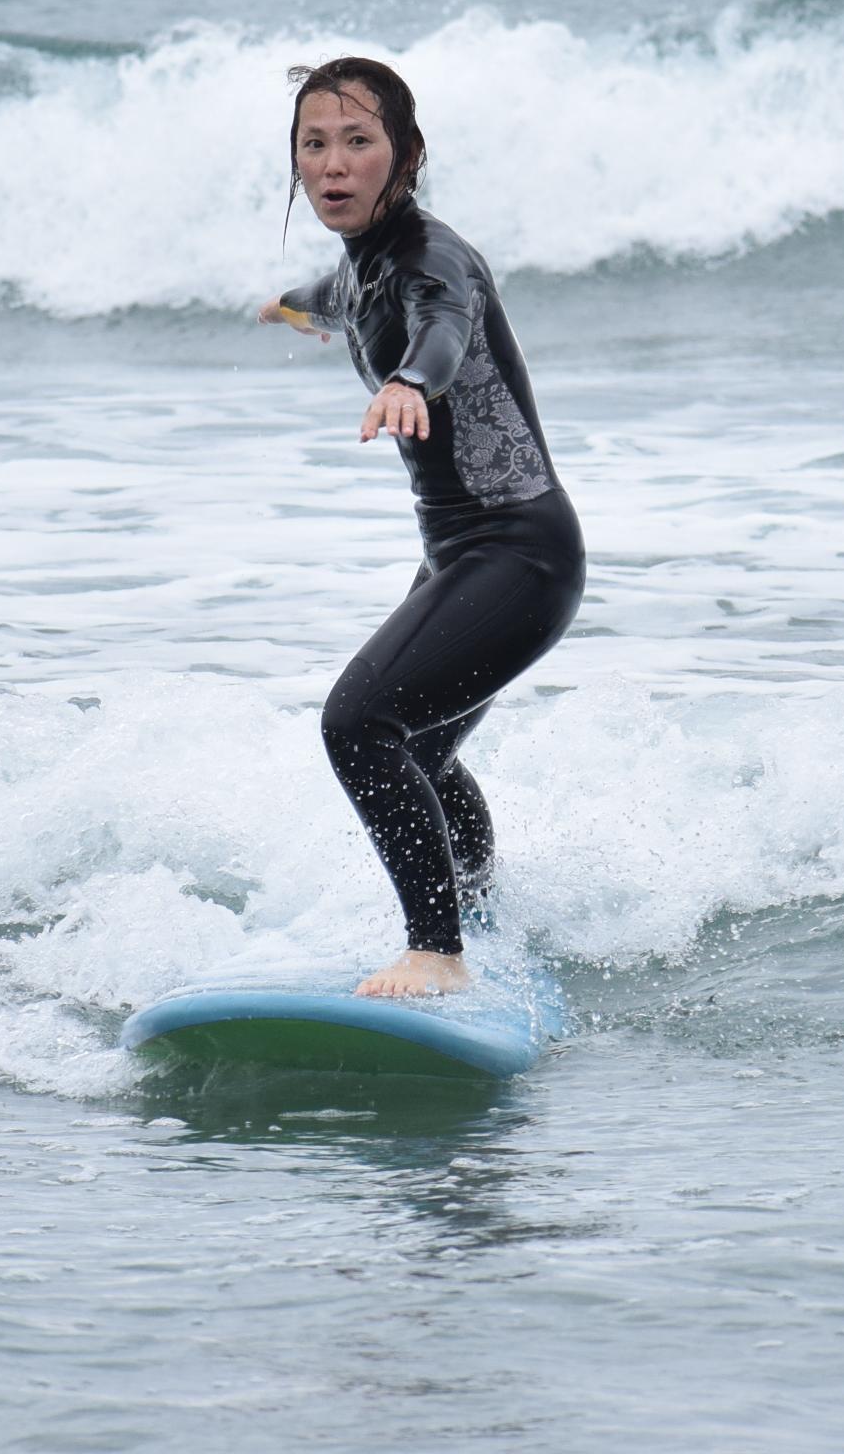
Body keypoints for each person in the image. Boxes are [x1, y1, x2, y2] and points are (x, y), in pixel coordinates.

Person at [259, 59, 587, 999]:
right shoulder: (366, 262)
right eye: (314, 144)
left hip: (520, 556)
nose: (334, 164)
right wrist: (292, 307)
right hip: (466, 557)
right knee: (422, 750)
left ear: (406, 155)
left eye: (359, 141)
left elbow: (440, 320)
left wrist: (411, 382)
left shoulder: (432, 259)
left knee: (359, 726)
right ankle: (484, 925)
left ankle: (436, 950)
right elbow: (346, 296)